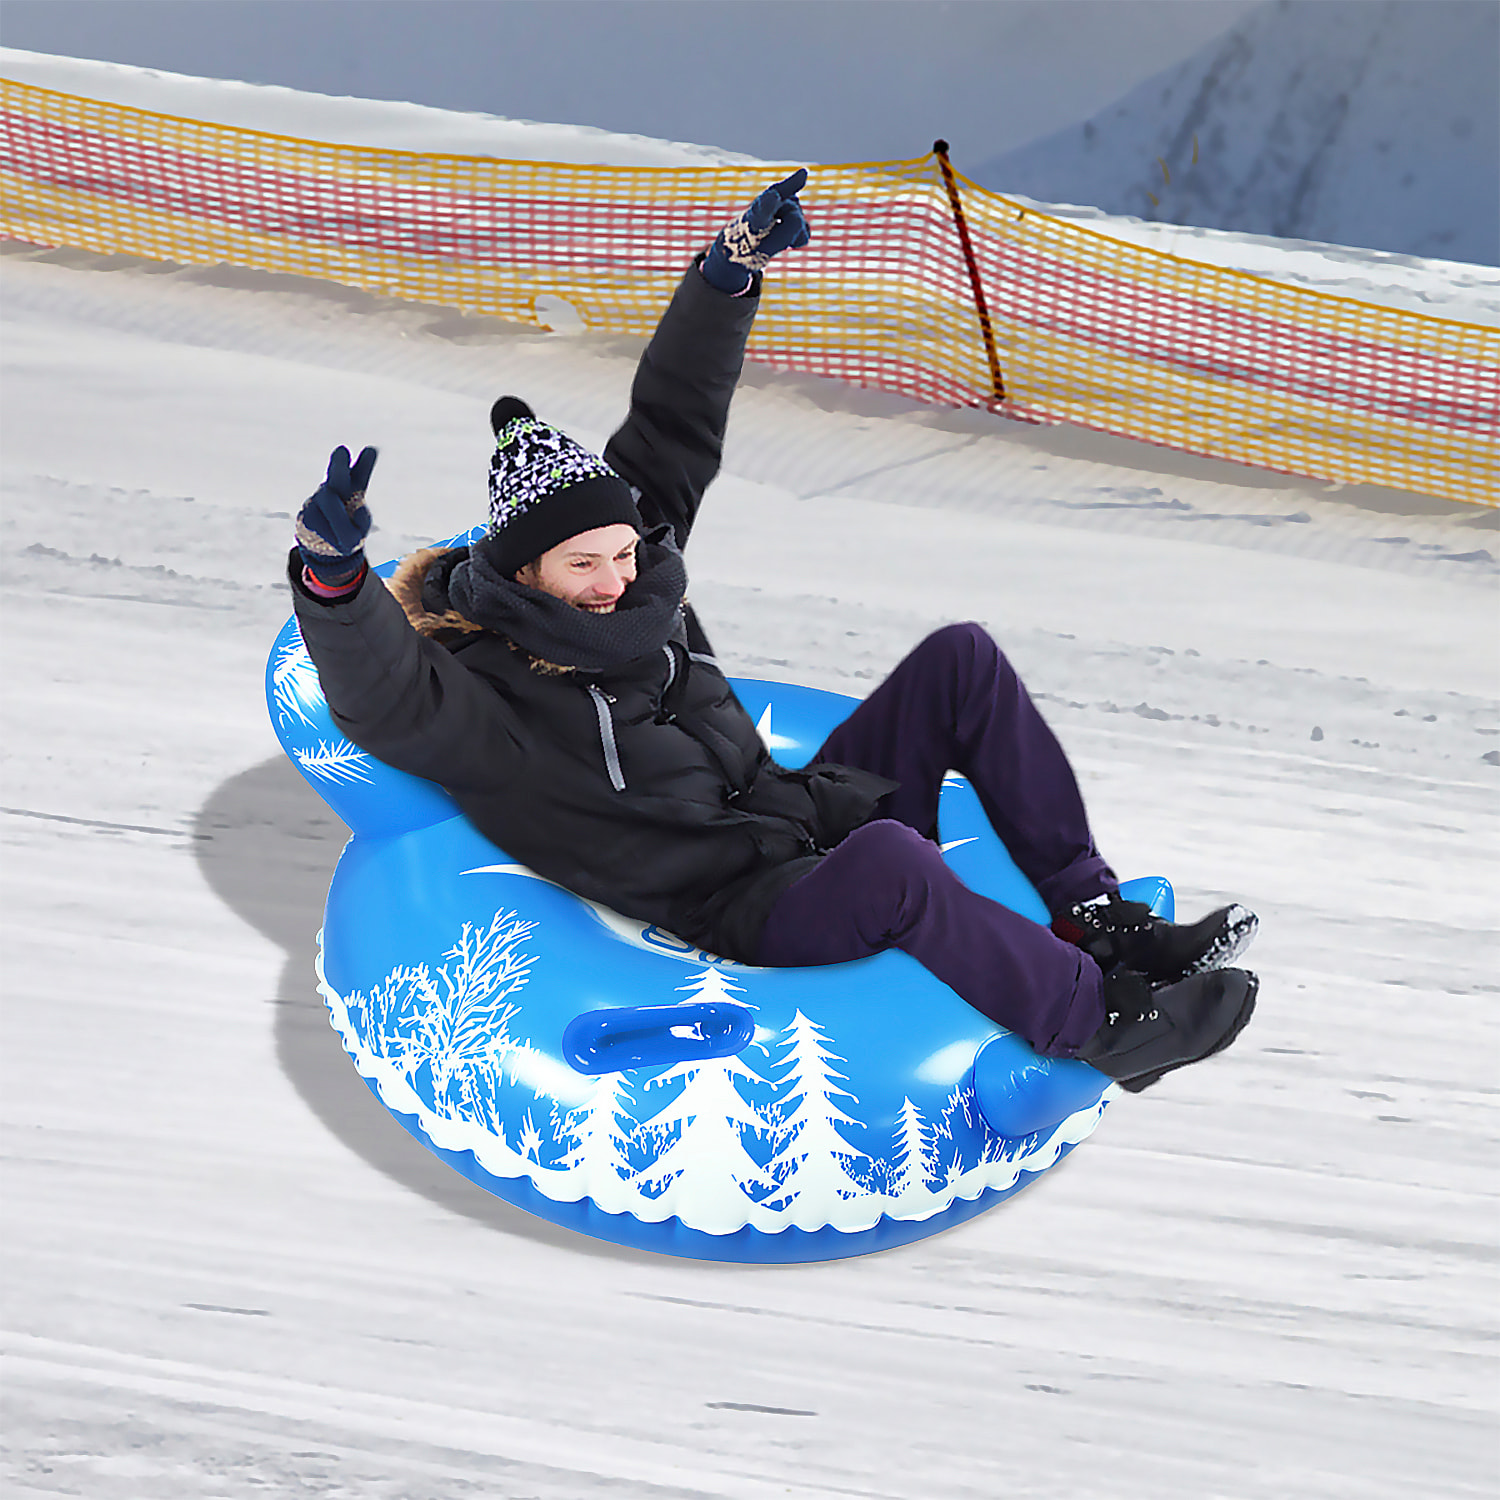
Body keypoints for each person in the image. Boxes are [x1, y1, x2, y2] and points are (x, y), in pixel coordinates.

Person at [288, 170, 1259, 1094]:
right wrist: (331, 580)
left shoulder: (638, 591)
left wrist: (729, 273)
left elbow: (671, 425)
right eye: (585, 564)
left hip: (798, 815)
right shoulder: (493, 689)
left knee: (960, 660)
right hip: (739, 912)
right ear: (523, 570)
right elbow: (384, 693)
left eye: (623, 553)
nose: (616, 581)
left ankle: (1099, 923)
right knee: (892, 864)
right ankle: (1101, 1029)